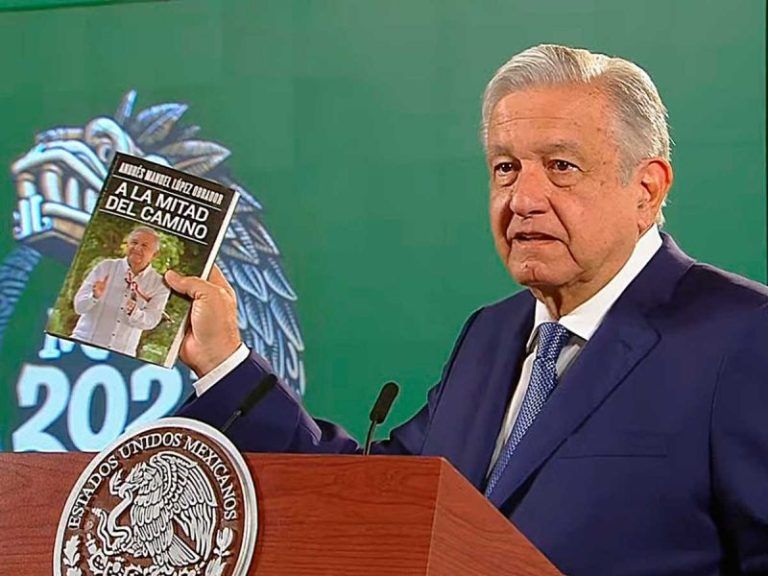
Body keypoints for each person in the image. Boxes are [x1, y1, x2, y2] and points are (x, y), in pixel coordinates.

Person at [165, 45, 768, 575]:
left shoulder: (742, 337)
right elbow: (377, 504)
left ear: (648, 189)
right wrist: (223, 361)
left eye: (561, 167)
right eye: (506, 168)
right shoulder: (492, 335)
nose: (523, 199)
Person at [72, 226, 170, 356]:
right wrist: (94, 296)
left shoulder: (159, 285)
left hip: (122, 354)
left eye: (144, 245)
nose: (137, 248)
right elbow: (79, 307)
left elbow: (151, 321)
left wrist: (134, 312)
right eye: (134, 242)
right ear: (127, 245)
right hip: (83, 344)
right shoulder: (105, 267)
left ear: (155, 255)